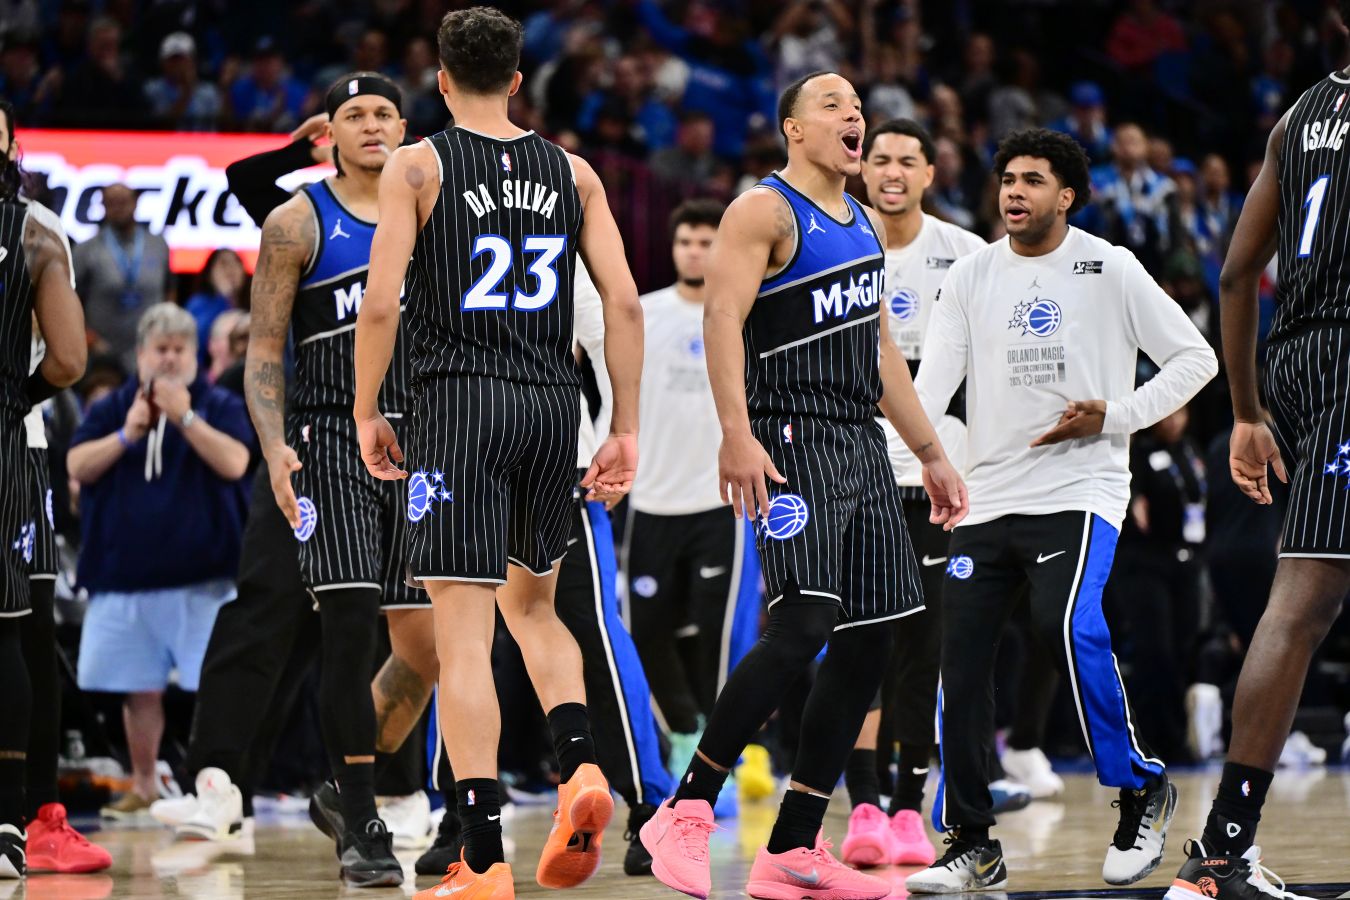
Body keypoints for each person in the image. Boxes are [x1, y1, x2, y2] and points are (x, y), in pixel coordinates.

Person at [640, 71, 968, 900]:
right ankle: (685, 808)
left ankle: (794, 844)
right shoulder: (764, 211)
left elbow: (882, 354)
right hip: (790, 435)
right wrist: (737, 432)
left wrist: (930, 452)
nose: (853, 116)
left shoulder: (861, 222)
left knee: (875, 635)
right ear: (792, 127)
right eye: (833, 105)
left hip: (861, 442)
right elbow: (722, 317)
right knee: (802, 624)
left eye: (858, 107)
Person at [352, 8, 645, 898]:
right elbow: (624, 303)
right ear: (519, 80)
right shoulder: (574, 172)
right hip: (552, 406)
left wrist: (368, 408)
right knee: (538, 612)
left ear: (441, 80)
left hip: (459, 404)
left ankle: (481, 857)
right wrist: (624, 426)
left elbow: (380, 303)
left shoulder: (417, 165)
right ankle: (581, 764)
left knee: (464, 634)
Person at [904, 128, 1216, 893]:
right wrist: (902, 458)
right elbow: (929, 391)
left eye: (1033, 180)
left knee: (1066, 624)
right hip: (987, 494)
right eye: (1007, 178)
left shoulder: (1110, 267)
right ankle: (971, 842)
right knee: (960, 663)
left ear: (1067, 195)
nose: (1014, 191)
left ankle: (1140, 786)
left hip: (1079, 489)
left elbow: (1196, 358)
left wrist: (1114, 414)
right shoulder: (971, 276)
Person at [1166, 7, 1350, 897]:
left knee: (1306, 596)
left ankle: (1221, 853)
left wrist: (1245, 412)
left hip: (1298, 361)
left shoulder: (1298, 116)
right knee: (1305, 595)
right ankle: (1216, 856)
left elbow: (1238, 274)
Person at [837, 118, 985, 871]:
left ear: (931, 172)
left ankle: (906, 806)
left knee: (925, 646)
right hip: (851, 472)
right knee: (858, 638)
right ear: (862, 170)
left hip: (937, 481)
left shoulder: (968, 255)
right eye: (880, 159)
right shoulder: (835, 244)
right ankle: (862, 804)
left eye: (907, 160)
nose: (891, 171)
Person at [68, 303, 252, 821]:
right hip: (124, 576)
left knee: (213, 687)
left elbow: (236, 461)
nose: (169, 359)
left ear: (195, 355)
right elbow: (76, 463)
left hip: (203, 577)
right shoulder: (114, 406)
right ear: (141, 353)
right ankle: (145, 783)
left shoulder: (217, 402)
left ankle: (218, 788)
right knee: (137, 687)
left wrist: (185, 417)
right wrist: (127, 434)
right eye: (160, 349)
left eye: (179, 349)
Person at [622, 199, 761, 804]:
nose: (695, 252)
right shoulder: (643, 314)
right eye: (686, 241)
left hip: (720, 502)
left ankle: (727, 756)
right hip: (651, 501)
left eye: (707, 242)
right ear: (673, 248)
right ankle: (683, 735)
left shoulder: (741, 314)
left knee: (721, 639)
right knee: (645, 634)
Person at [0, 97, 91, 880]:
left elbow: (64, 355)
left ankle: (39, 814)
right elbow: (69, 358)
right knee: (14, 630)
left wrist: (16, 400)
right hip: (10, 427)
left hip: (20, 444)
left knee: (27, 630)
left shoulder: (37, 226)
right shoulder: (26, 231)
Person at [72, 182, 173, 372]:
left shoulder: (159, 245)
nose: (118, 208)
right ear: (103, 206)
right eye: (111, 202)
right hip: (101, 352)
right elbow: (70, 298)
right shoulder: (86, 250)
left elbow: (170, 289)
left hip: (149, 347)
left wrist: (165, 330)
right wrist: (88, 337)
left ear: (135, 202)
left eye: (123, 201)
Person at [184, 248, 248, 365]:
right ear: (210, 273)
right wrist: (223, 298)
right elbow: (196, 341)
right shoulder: (198, 303)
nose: (230, 270)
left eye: (235, 263)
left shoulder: (252, 305)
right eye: (223, 264)